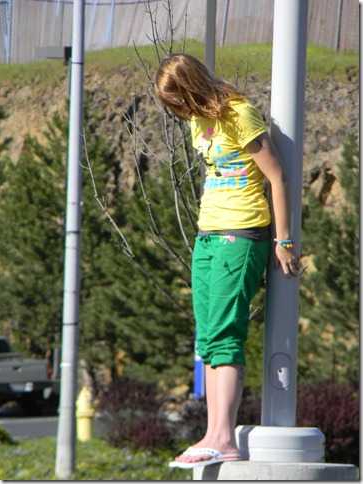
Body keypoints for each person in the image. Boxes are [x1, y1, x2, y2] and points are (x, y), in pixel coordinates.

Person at [154, 53, 300, 469]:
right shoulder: (197, 121)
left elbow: (277, 176)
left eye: (177, 100)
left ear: (192, 87)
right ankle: (213, 433)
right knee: (208, 338)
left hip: (242, 233)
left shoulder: (239, 113)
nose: (176, 110)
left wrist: (284, 240)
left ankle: (223, 436)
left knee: (225, 331)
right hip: (207, 236)